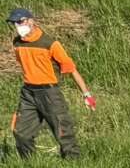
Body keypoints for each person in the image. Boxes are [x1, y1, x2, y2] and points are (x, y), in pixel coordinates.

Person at [9, 9, 91, 160]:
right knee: (21, 133)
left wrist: (86, 94)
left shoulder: (50, 43)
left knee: (63, 131)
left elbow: (71, 69)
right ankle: (29, 166)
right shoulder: (17, 43)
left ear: (31, 21)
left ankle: (74, 165)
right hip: (28, 93)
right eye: (14, 23)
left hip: (49, 93)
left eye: (20, 22)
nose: (17, 26)